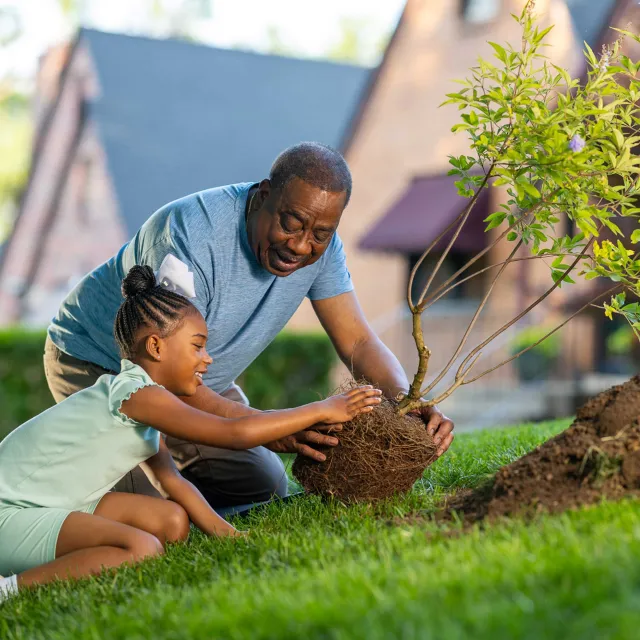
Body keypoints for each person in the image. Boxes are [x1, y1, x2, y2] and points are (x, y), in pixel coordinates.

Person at [44, 141, 454, 508]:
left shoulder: (323, 250)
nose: (299, 245)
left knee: (263, 485)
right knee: (150, 516)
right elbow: (163, 372)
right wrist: (270, 429)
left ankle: (172, 483)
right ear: (262, 196)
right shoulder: (190, 237)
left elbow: (359, 341)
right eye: (291, 224)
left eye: (320, 233)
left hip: (198, 378)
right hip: (103, 367)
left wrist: (406, 403)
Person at [0, 266, 382, 602]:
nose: (208, 358)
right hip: (10, 514)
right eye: (197, 346)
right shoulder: (137, 394)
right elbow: (233, 433)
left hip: (52, 504)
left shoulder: (141, 399)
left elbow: (170, 480)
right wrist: (321, 408)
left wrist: (232, 537)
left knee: (172, 522)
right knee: (142, 549)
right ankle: (10, 590)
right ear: (155, 346)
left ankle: (73, 553)